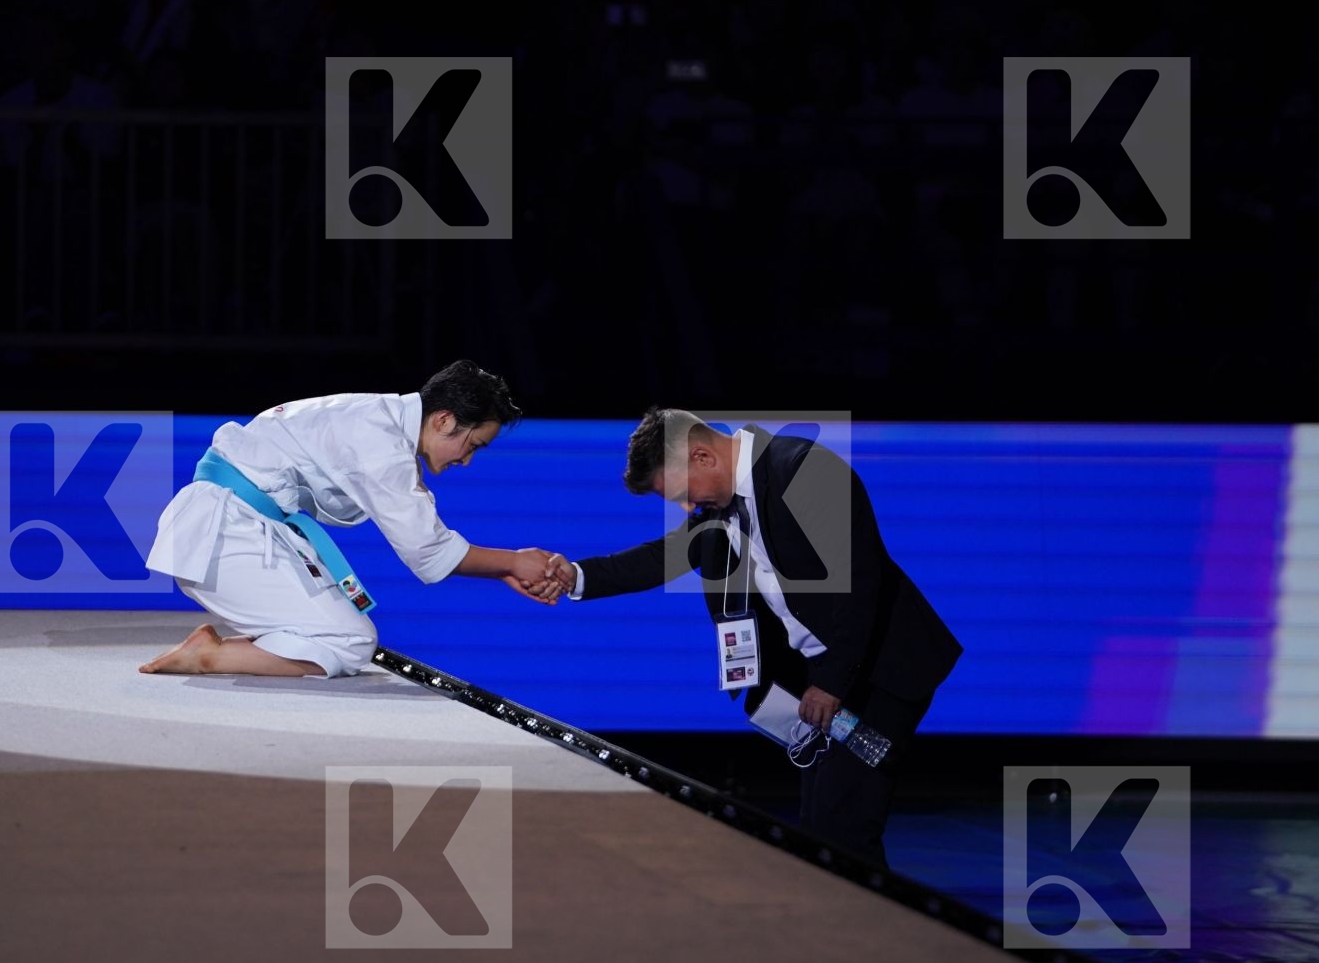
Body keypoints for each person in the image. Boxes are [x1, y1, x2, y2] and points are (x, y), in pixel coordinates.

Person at [538, 408, 960, 865]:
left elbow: (861, 583)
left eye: (680, 493)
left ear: (702, 457)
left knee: (843, 826)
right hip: (828, 674)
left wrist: (833, 682)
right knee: (820, 824)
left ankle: (874, 932)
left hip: (881, 668)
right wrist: (574, 576)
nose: (685, 507)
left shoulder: (804, 469)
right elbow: (659, 558)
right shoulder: (719, 509)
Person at [141, 360, 560, 678]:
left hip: (243, 524)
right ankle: (209, 655)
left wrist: (505, 568)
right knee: (350, 641)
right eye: (473, 445)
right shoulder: (381, 442)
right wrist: (513, 561)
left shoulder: (380, 422)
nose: (467, 460)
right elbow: (428, 551)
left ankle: (215, 647)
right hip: (225, 532)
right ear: (444, 419)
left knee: (346, 632)